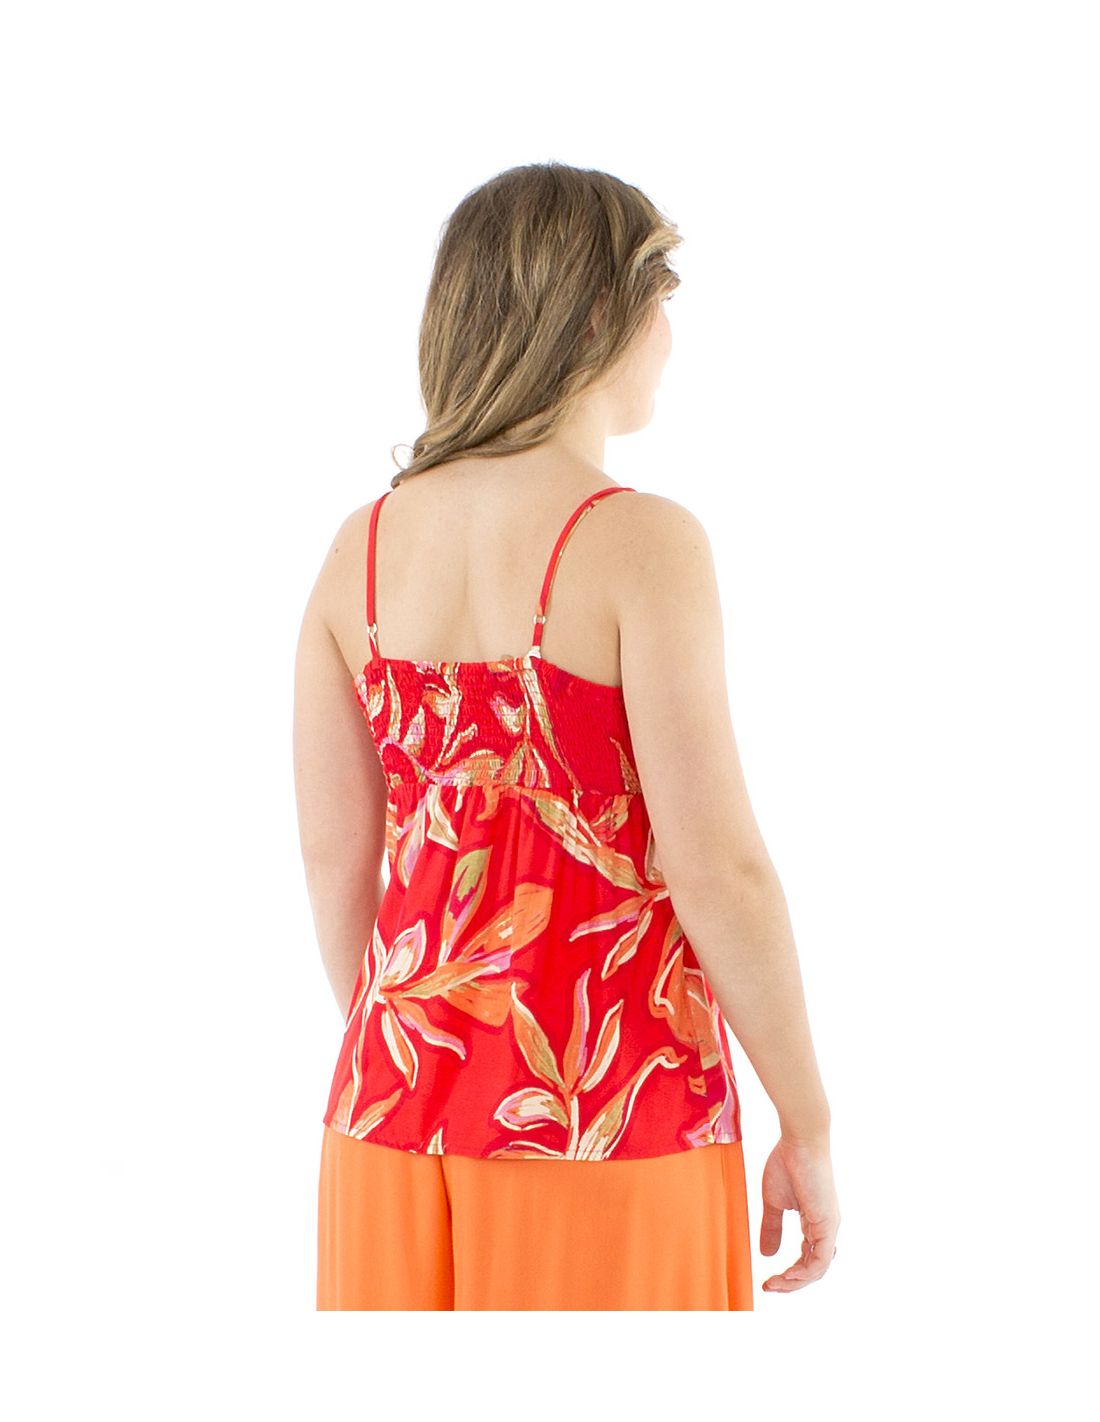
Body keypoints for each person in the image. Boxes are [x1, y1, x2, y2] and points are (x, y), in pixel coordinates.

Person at [294, 161, 840, 1309]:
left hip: (386, 1128)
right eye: (662, 303)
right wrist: (807, 1119)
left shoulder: (357, 550)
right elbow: (718, 869)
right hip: (613, 1126)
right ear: (598, 315)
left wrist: (421, 1066)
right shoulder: (643, 544)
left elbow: (338, 861)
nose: (670, 341)